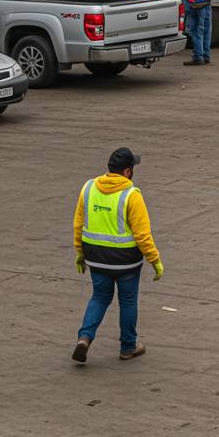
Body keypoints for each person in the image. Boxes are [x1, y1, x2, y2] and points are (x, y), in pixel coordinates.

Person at [71, 147, 163, 364]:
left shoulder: (88, 188)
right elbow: (142, 235)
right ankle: (128, 347)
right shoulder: (132, 195)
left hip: (96, 258)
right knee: (128, 301)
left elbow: (78, 224)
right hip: (126, 262)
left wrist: (79, 253)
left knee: (100, 297)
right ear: (128, 172)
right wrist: (155, 260)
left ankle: (84, 338)